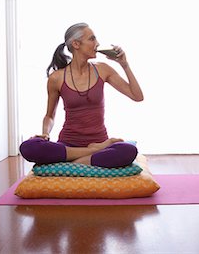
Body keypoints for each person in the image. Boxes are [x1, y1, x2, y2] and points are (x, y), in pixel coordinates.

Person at [19, 23, 144, 168]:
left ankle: (71, 162)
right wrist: (45, 134)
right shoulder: (56, 78)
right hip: (70, 144)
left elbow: (137, 96)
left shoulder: (103, 70)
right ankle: (88, 155)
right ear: (76, 44)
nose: (97, 43)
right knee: (28, 147)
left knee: (128, 150)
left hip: (100, 143)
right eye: (92, 39)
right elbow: (50, 116)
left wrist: (124, 64)